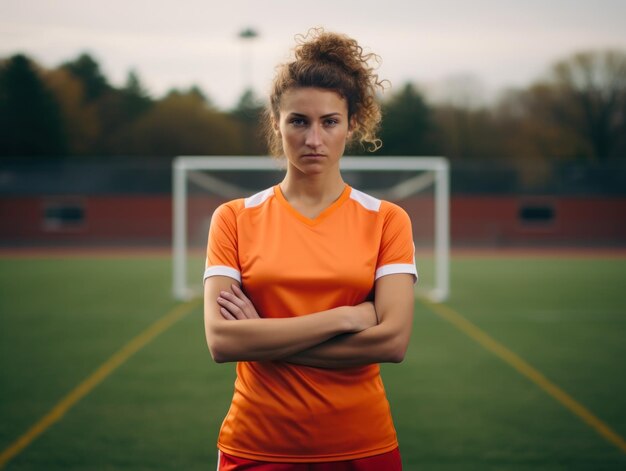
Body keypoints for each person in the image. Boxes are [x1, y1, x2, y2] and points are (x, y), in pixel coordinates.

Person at [203, 27, 417, 471]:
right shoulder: (233, 218)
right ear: (276, 122)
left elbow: (393, 341)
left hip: (363, 445)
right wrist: (346, 318)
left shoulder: (388, 220)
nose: (313, 139)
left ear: (351, 123)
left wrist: (261, 338)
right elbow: (222, 341)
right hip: (255, 445)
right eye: (298, 121)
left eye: (329, 121)